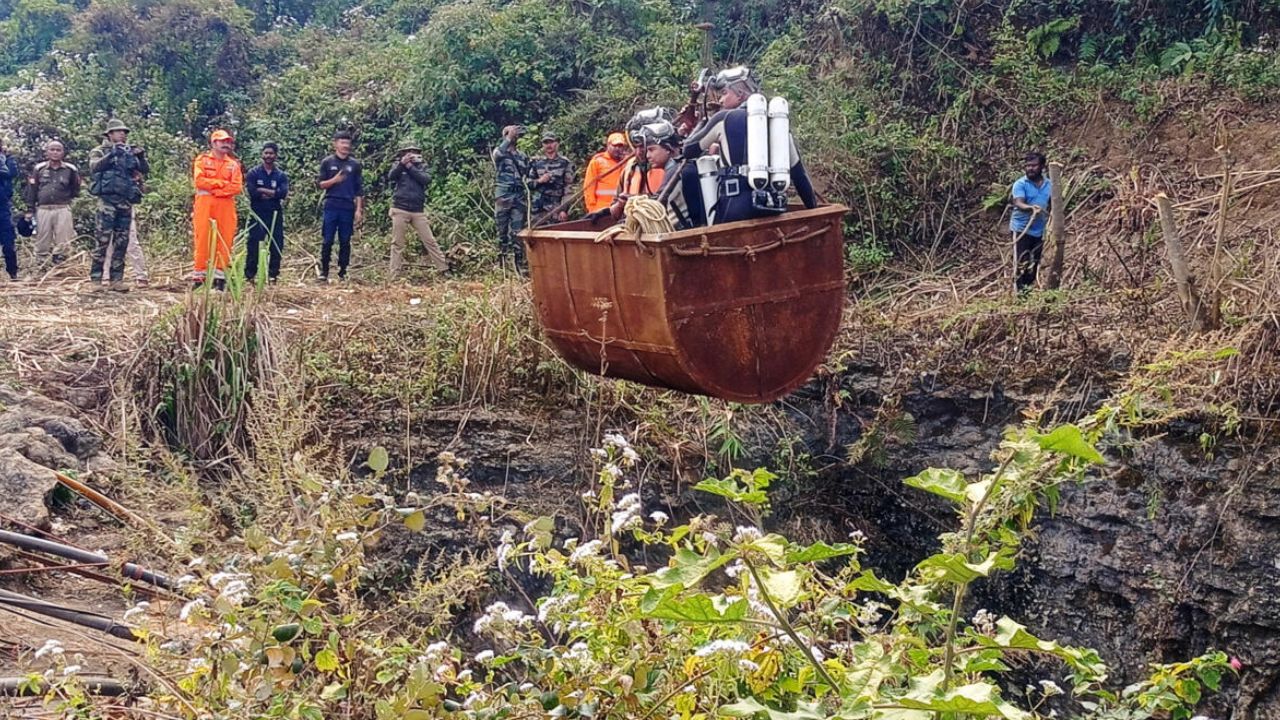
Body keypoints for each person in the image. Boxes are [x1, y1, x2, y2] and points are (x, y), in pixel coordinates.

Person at [680, 73, 818, 227]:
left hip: (734, 208)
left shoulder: (723, 119)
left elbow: (688, 150)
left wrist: (701, 124)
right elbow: (800, 176)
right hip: (773, 207)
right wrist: (815, 211)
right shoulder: (778, 124)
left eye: (724, 93)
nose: (720, 100)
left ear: (740, 94)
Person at [88, 119, 148, 291]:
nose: (123, 134)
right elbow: (94, 167)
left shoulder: (129, 152)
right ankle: (96, 280)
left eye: (124, 132)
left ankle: (117, 280)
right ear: (109, 134)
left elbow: (144, 170)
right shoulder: (99, 151)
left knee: (122, 242)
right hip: (107, 201)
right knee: (102, 240)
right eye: (118, 131)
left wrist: (140, 156)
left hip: (125, 202)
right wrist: (112, 154)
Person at [191, 129, 243, 290]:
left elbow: (237, 187)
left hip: (225, 205)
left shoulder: (233, 164)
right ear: (214, 143)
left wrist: (217, 188)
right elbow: (200, 181)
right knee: (203, 237)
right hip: (205, 204)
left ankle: (219, 277)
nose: (226, 144)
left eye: (228, 142)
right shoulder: (202, 160)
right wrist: (221, 184)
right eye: (222, 141)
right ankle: (200, 277)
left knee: (225, 238)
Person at [387, 141, 447, 279]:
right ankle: (394, 274)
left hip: (417, 210)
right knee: (397, 243)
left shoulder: (423, 166)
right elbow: (391, 176)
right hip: (400, 208)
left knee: (429, 240)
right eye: (408, 152)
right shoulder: (398, 165)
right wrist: (402, 164)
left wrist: (410, 167)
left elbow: (426, 180)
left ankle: (443, 269)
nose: (411, 154)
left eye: (414, 152)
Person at [23, 140, 80, 270]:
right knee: (42, 240)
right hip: (43, 209)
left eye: (58, 150)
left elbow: (75, 189)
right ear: (47, 152)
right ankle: (41, 268)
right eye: (52, 149)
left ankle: (62, 269)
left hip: (62, 208)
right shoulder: (39, 169)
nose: (55, 152)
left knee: (64, 241)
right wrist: (29, 210)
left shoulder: (70, 169)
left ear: (63, 153)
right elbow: (32, 190)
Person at [316, 130, 364, 282]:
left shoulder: (355, 165)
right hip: (331, 205)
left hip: (347, 206)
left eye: (348, 143)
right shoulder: (327, 162)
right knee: (327, 239)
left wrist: (358, 209)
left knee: (345, 240)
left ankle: (343, 271)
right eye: (342, 142)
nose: (345, 146)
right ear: (335, 144)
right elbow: (321, 184)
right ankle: (324, 271)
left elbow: (359, 190)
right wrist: (334, 180)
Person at [610, 121, 679, 220]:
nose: (639, 152)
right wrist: (621, 204)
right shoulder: (629, 169)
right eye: (636, 147)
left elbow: (660, 204)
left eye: (644, 147)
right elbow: (615, 210)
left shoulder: (674, 169)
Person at [244, 142, 289, 283]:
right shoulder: (253, 173)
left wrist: (262, 190)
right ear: (262, 154)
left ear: (276, 155)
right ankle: (250, 275)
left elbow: (282, 193)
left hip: (275, 213)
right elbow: (252, 192)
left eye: (271, 153)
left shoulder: (281, 175)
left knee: (276, 244)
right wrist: (271, 193)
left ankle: (273, 275)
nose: (268, 156)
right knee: (254, 243)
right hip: (257, 212)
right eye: (266, 153)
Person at [1010, 151, 1051, 293]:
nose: (1030, 169)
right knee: (1022, 261)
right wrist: (1030, 208)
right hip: (1022, 229)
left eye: (1034, 166)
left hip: (1040, 231)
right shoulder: (1020, 184)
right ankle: (1020, 295)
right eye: (1027, 166)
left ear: (1042, 167)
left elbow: (1053, 204)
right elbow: (1018, 202)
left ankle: (1028, 290)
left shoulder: (1049, 185)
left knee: (1035, 263)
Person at [492, 125, 529, 269]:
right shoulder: (499, 152)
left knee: (517, 232)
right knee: (501, 232)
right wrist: (508, 137)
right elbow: (497, 154)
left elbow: (527, 173)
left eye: (515, 134)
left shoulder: (522, 156)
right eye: (511, 134)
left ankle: (519, 265)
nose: (514, 136)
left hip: (518, 196)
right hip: (503, 196)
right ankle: (501, 265)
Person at [528, 131, 573, 227]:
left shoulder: (565, 163)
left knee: (556, 235)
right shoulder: (536, 162)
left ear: (557, 143)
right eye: (546, 142)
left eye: (551, 142)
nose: (549, 145)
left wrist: (564, 210)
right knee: (536, 237)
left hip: (556, 208)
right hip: (538, 208)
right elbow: (528, 184)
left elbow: (568, 188)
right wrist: (539, 181)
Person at [582, 132, 630, 214]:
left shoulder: (628, 162)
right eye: (614, 146)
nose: (617, 149)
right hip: (601, 209)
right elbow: (589, 188)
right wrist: (592, 209)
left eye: (620, 146)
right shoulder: (597, 161)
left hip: (622, 208)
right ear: (608, 145)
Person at [0, 138, 16, 281]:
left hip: (2, 206)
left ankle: (13, 274)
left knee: (8, 241)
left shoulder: (7, 159)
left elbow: (11, 173)